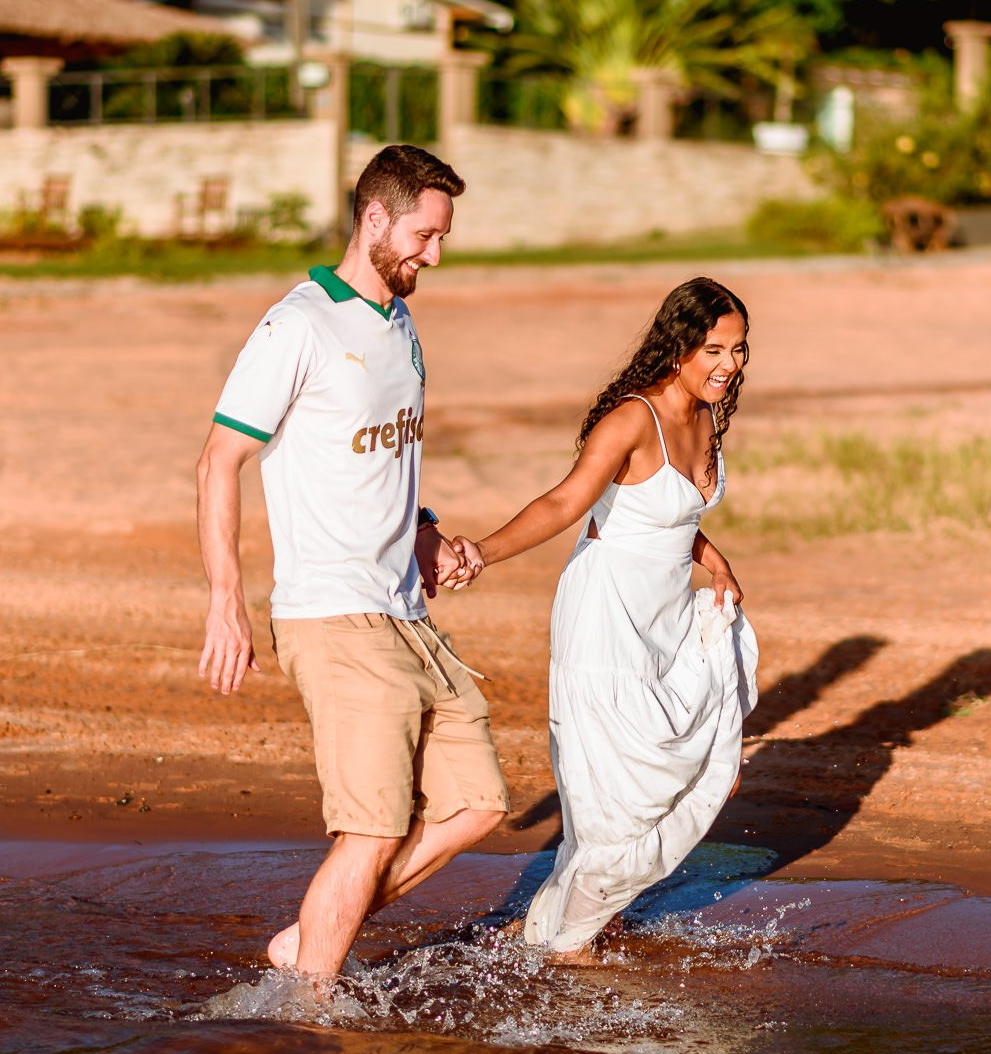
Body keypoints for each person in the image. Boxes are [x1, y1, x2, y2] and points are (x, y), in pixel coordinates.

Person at [195, 144, 505, 979]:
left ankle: (308, 940)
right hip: (332, 613)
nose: (433, 255)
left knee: (477, 803)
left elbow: (383, 463)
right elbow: (218, 459)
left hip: (404, 608)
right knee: (369, 828)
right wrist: (225, 599)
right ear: (375, 217)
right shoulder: (297, 323)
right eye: (424, 234)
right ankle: (311, 1008)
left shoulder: (398, 322)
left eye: (441, 238)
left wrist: (426, 528)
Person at [466, 277, 759, 963]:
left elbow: (670, 515)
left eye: (738, 350)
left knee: (680, 766)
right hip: (605, 620)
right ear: (679, 344)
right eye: (714, 348)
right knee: (615, 791)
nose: (728, 364)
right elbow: (566, 503)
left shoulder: (706, 412)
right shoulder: (634, 419)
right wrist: (480, 553)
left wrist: (713, 560)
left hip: (664, 619)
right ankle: (569, 941)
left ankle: (550, 924)